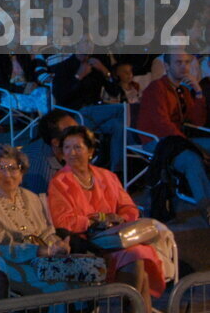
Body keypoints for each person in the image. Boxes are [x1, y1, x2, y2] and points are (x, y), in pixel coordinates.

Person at [49, 126, 164, 311]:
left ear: (90, 151)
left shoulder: (107, 176)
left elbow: (129, 208)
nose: (72, 153)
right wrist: (96, 220)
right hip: (88, 243)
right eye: (67, 148)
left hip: (118, 237)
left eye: (77, 147)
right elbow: (62, 221)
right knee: (136, 257)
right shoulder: (59, 182)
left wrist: (120, 218)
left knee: (137, 256)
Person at [0, 145, 70, 295]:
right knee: (59, 288)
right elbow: (2, 248)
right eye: (1, 168)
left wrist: (57, 245)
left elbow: (46, 233)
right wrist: (42, 251)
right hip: (6, 266)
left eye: (13, 168)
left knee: (78, 282)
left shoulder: (31, 197)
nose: (8, 174)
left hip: (42, 261)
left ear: (22, 172)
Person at [136, 50, 210, 223]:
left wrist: (198, 92)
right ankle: (206, 208)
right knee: (191, 159)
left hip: (177, 139)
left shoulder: (183, 90)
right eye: (178, 63)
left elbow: (197, 120)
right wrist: (187, 144)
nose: (184, 67)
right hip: (156, 140)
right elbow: (162, 124)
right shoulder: (156, 88)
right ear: (167, 66)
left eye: (186, 62)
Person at [22, 109, 79, 194]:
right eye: (73, 133)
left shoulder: (51, 144)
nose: (82, 135)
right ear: (56, 142)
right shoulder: (44, 175)